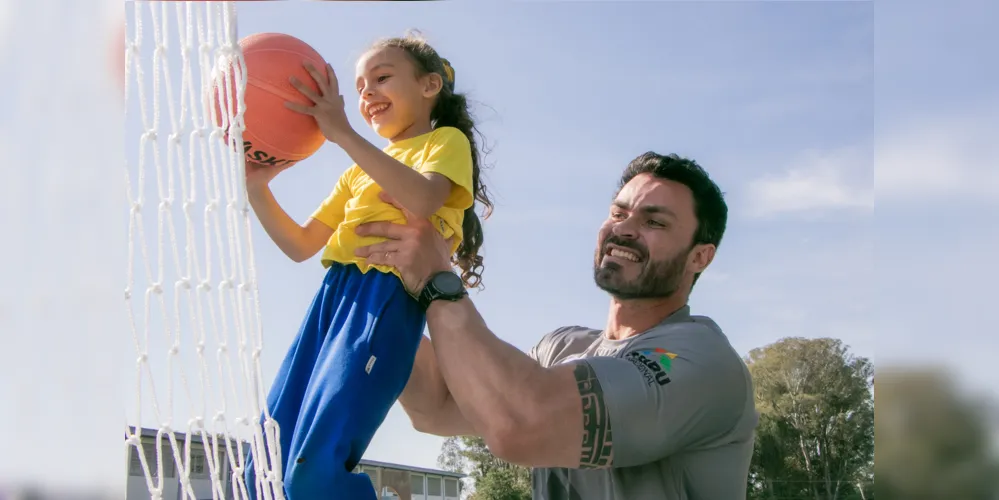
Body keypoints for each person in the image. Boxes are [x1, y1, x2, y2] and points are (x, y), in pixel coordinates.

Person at [354, 151, 759, 499]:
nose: (623, 228)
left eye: (655, 222)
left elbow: (521, 423)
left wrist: (437, 281)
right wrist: (382, 287)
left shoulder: (698, 361)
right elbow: (439, 406)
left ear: (700, 257)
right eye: (618, 212)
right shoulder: (561, 348)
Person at [241, 32, 493, 500]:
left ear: (429, 85)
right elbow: (300, 245)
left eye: (381, 78)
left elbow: (420, 199)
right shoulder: (357, 171)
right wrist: (257, 187)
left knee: (313, 473)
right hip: (331, 301)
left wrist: (342, 133)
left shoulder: (445, 141)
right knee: (267, 460)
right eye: (359, 88)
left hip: (384, 303)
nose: (366, 94)